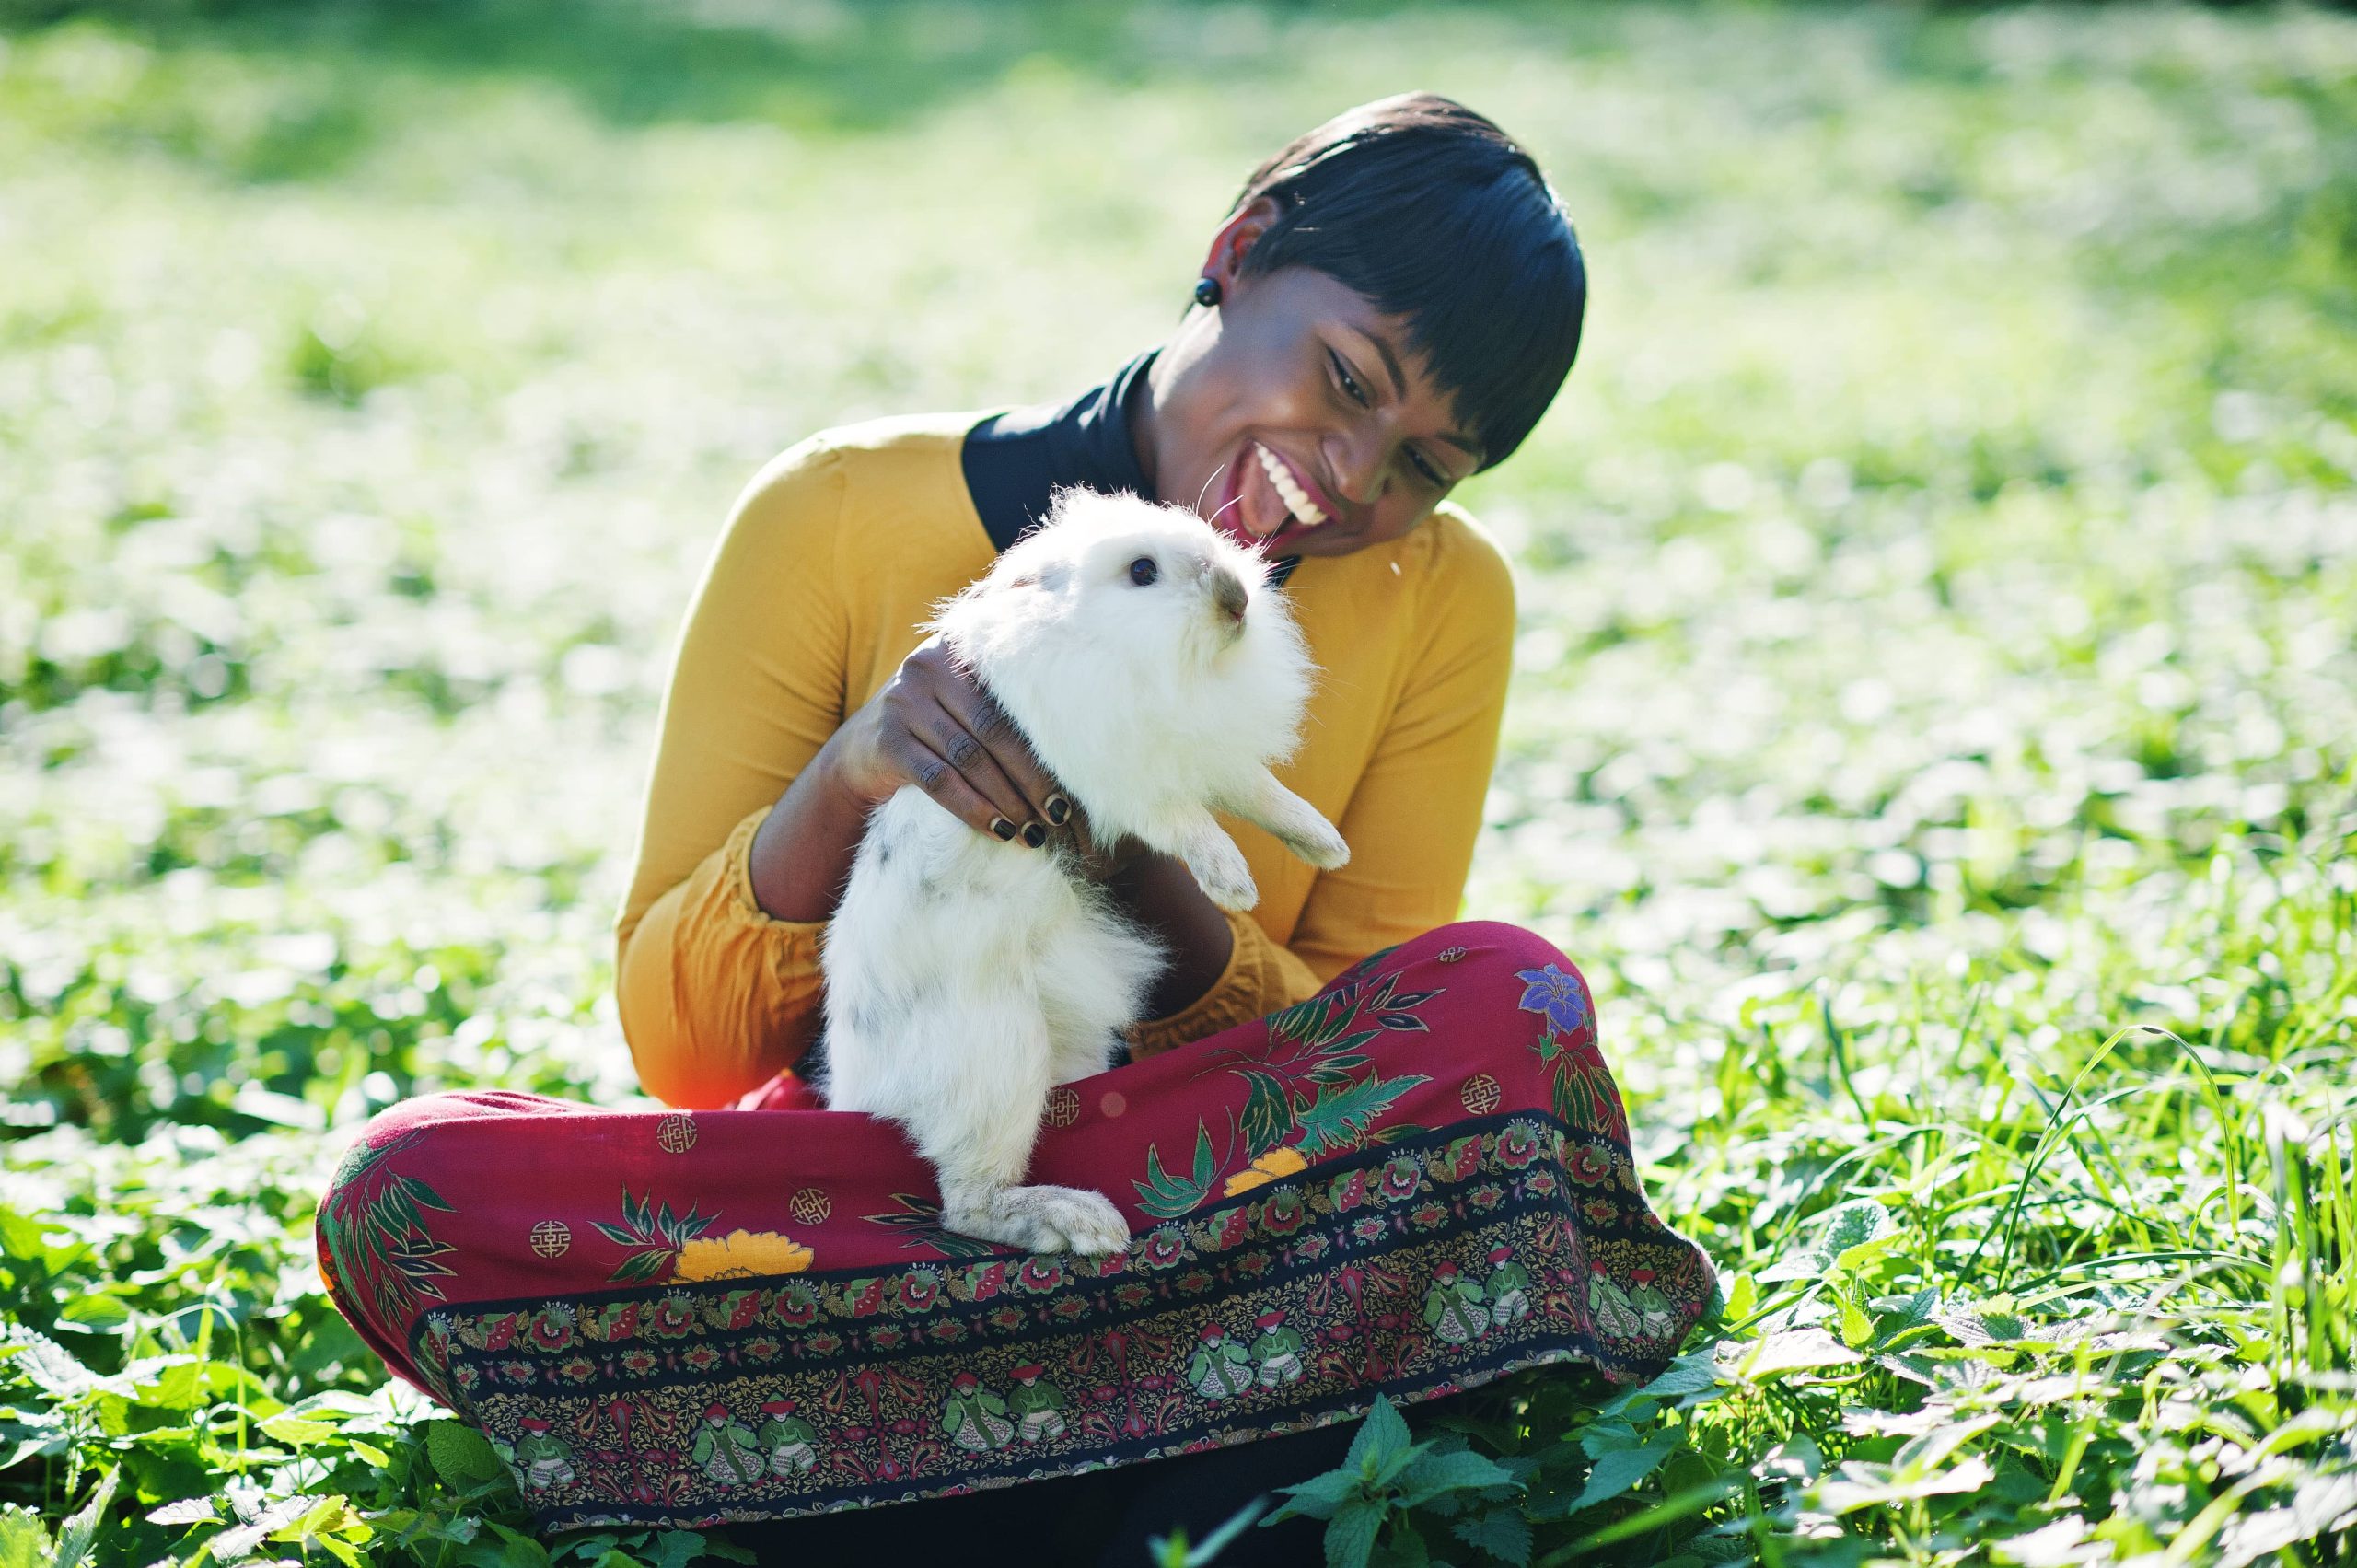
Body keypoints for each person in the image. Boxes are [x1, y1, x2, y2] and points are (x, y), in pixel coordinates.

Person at [315, 93, 1713, 1562]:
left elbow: (1362, 1035)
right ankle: (1185, 1459)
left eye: (1427, 464)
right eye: (1348, 379)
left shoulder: (1443, 598)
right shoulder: (840, 511)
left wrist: (1122, 844)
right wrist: (857, 771)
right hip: (873, 1198)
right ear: (1237, 250)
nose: (1358, 476)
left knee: (1512, 999)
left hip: (1208, 1211)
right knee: (410, 1187)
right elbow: (686, 1047)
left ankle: (892, 1473)